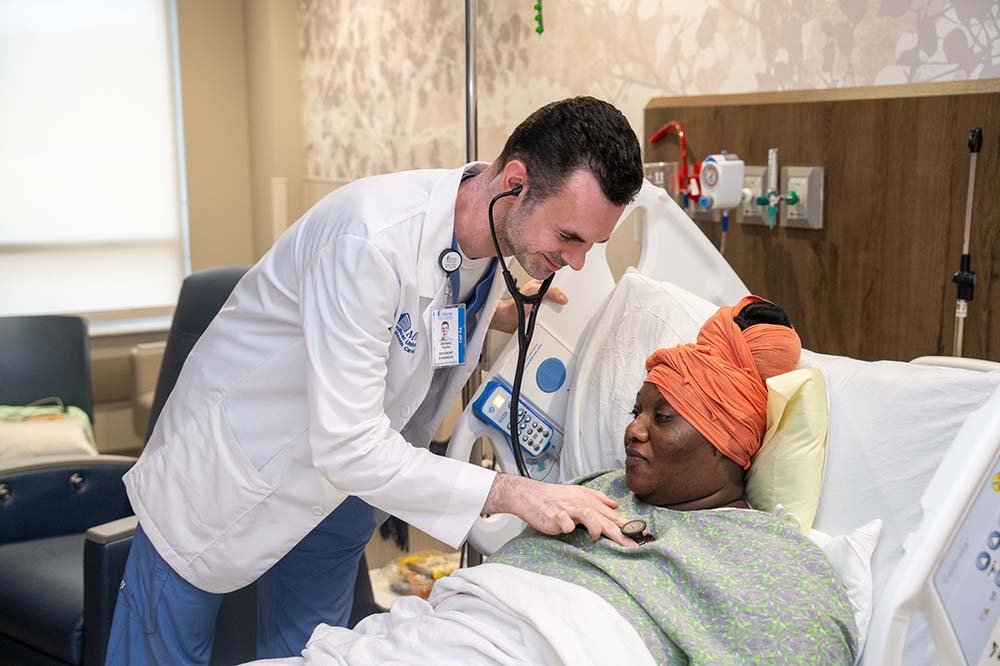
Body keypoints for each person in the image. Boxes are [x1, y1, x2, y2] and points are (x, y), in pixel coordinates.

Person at [105, 96, 645, 665]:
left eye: (591, 244)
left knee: (317, 653)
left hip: (338, 492)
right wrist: (512, 493)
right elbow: (350, 438)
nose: (577, 261)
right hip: (231, 475)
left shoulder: (486, 241)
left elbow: (402, 336)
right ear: (515, 181)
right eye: (570, 236)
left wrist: (494, 316)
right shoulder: (370, 238)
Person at [249, 297, 857, 666]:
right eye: (634, 413)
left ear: (727, 443)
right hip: (447, 634)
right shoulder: (597, 489)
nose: (634, 432)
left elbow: (809, 646)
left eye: (662, 417)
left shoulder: (773, 557)